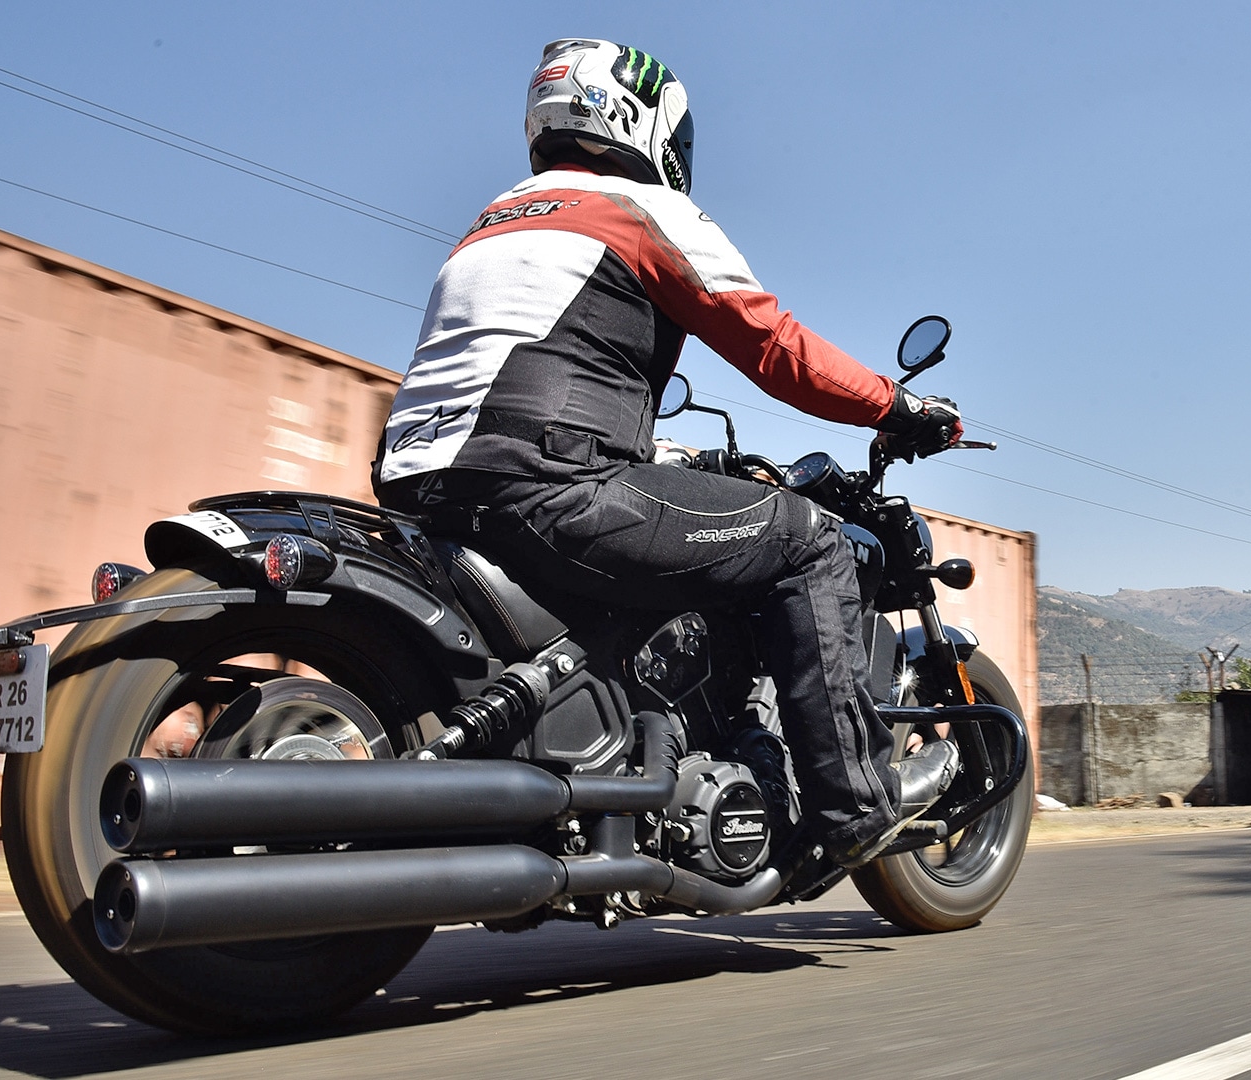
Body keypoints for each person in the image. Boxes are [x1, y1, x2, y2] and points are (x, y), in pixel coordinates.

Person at [373, 38, 963, 875]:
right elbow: (775, 347)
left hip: (424, 483)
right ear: (639, 120)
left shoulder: (493, 221)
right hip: (552, 484)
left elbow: (543, 374)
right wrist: (896, 406)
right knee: (809, 542)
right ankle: (852, 807)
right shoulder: (638, 208)